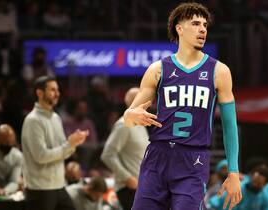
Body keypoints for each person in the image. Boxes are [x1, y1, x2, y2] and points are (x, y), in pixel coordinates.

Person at [123, 2, 241, 210]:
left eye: (205, 25)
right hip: (157, 156)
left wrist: (233, 172)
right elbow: (129, 117)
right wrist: (131, 115)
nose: (203, 29)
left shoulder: (219, 71)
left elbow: (230, 125)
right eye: (196, 23)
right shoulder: (157, 69)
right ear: (179, 28)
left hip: (193, 159)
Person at [21, 75, 89, 210]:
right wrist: (69, 145)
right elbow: (41, 156)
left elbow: (62, 152)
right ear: (39, 93)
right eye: (52, 90)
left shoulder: (56, 117)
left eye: (57, 90)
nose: (57, 93)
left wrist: (74, 143)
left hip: (59, 185)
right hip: (40, 188)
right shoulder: (33, 120)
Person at [101, 87, 149, 210]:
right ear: (138, 100)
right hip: (128, 187)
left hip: (141, 185)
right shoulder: (123, 125)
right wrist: (127, 177)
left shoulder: (141, 124)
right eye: (146, 96)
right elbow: (107, 155)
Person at [0, 124, 23, 196]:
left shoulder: (18, 156)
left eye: (9, 142)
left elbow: (14, 181)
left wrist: (4, 191)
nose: (6, 144)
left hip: (8, 194)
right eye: (3, 142)